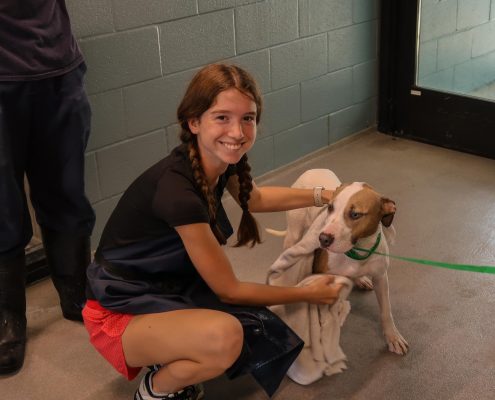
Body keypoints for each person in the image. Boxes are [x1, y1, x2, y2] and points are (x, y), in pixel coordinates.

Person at [83, 63, 344, 400]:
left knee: (255, 324)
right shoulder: (178, 193)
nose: (237, 132)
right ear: (194, 122)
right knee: (228, 337)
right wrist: (307, 293)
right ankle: (154, 390)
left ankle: (169, 348)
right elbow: (230, 290)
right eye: (222, 117)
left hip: (162, 284)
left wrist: (325, 196)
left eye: (247, 118)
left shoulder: (216, 160)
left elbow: (258, 198)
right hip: (115, 309)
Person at [0, 1, 96, 375]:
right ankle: (9, 317)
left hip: (58, 69)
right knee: (2, 207)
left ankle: (76, 295)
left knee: (68, 193)